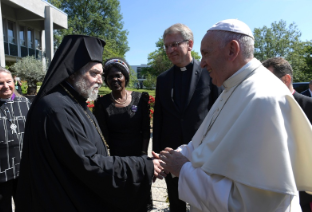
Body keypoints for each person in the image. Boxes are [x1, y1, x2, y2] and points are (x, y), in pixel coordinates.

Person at [155, 19, 312, 212]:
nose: (202, 63)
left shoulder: (263, 98)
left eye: (206, 54)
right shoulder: (233, 86)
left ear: (232, 50)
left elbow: (252, 202)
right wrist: (177, 155)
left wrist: (184, 170)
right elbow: (207, 141)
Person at [15, 35, 165, 212]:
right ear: (72, 73)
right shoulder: (57, 108)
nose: (101, 80)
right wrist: (144, 166)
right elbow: (87, 163)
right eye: (94, 73)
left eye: (101, 75)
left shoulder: (73, 101)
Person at [152, 23, 222, 211]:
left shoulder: (210, 73)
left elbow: (219, 112)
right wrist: (158, 154)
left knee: (204, 201)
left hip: (203, 151)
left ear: (190, 44)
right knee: (175, 201)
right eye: (166, 46)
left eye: (174, 44)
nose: (169, 50)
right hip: (173, 151)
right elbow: (158, 117)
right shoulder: (163, 79)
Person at [93, 57, 152, 210]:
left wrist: (144, 155)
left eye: (118, 75)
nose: (115, 79)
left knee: (140, 200)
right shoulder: (102, 104)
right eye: (110, 77)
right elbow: (102, 134)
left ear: (125, 77)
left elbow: (146, 130)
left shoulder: (140, 100)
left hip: (138, 156)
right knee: (120, 201)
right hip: (116, 159)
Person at [262, 57, 312, 212]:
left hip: (306, 191)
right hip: (277, 187)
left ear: (286, 79)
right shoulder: (263, 109)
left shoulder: (309, 106)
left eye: (267, 80)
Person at [0, 66, 30, 212]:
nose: (6, 86)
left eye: (9, 81)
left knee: (27, 206)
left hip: (24, 170)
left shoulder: (26, 103)